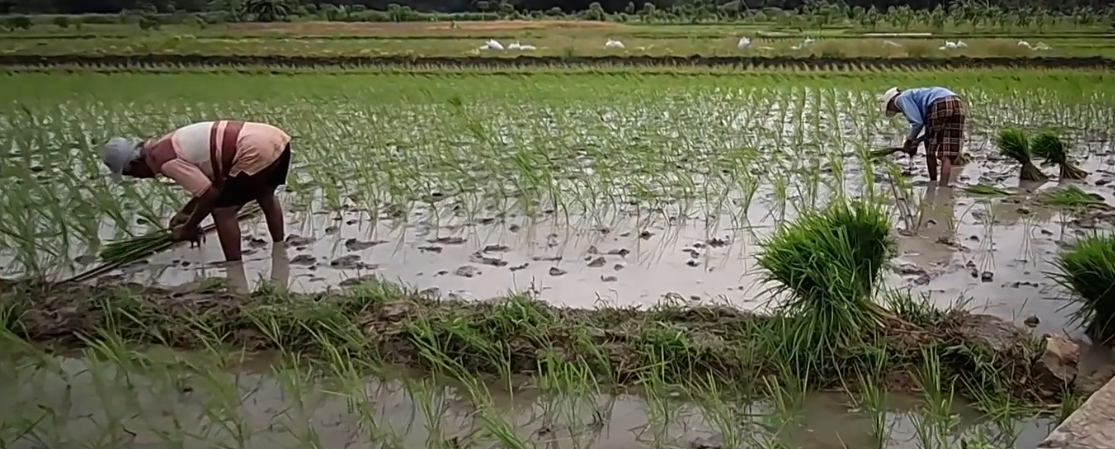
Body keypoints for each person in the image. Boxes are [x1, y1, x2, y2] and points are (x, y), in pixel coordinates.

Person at [101, 120, 292, 262]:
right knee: (265, 195)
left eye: (132, 174)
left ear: (135, 164)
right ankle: (279, 248)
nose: (139, 178)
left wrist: (188, 227)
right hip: (273, 136)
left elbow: (211, 195)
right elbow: (212, 184)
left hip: (253, 149)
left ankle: (234, 268)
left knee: (223, 211)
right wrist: (186, 212)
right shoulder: (162, 144)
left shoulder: (165, 161)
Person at [879, 86, 967, 187]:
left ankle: (933, 182)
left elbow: (918, 123)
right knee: (947, 153)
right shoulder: (914, 94)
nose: (898, 111)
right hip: (957, 103)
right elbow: (929, 127)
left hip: (939, 104)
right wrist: (917, 141)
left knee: (930, 149)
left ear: (891, 102)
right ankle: (943, 187)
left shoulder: (900, 99)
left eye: (892, 109)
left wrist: (909, 141)